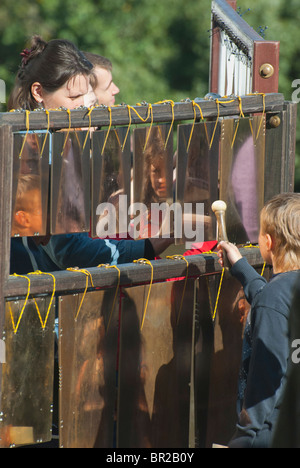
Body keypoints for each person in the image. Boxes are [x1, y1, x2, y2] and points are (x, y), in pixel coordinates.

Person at [9, 35, 172, 275]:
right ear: (39, 92)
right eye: (73, 98)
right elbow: (68, 250)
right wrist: (146, 247)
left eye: (87, 99)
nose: (83, 108)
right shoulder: (34, 153)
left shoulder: (52, 146)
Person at [217, 192, 300, 448]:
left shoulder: (274, 299)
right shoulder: (285, 294)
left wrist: (242, 441)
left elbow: (265, 385)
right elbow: (275, 302)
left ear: (268, 241)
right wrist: (241, 267)